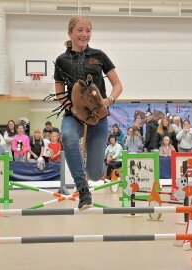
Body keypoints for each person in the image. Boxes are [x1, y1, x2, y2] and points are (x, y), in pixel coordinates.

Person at [54, 16, 122, 210]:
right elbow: (59, 92)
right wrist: (72, 108)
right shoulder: (61, 60)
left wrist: (109, 101)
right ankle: (82, 189)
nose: (85, 34)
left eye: (88, 30)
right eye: (80, 30)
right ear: (70, 33)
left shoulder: (99, 56)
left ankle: (95, 175)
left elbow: (117, 85)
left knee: (94, 173)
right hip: (73, 115)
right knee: (67, 135)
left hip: (98, 118)